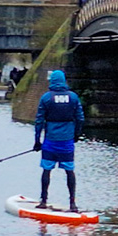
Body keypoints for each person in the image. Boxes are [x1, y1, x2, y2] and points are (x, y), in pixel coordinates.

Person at [33, 69, 84, 212]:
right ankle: (73, 204)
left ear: (52, 81)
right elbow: (80, 118)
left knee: (46, 170)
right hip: (67, 142)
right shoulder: (73, 98)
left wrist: (37, 141)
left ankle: (43, 201)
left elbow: (39, 121)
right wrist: (76, 135)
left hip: (50, 141)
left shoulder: (46, 98)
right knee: (69, 171)